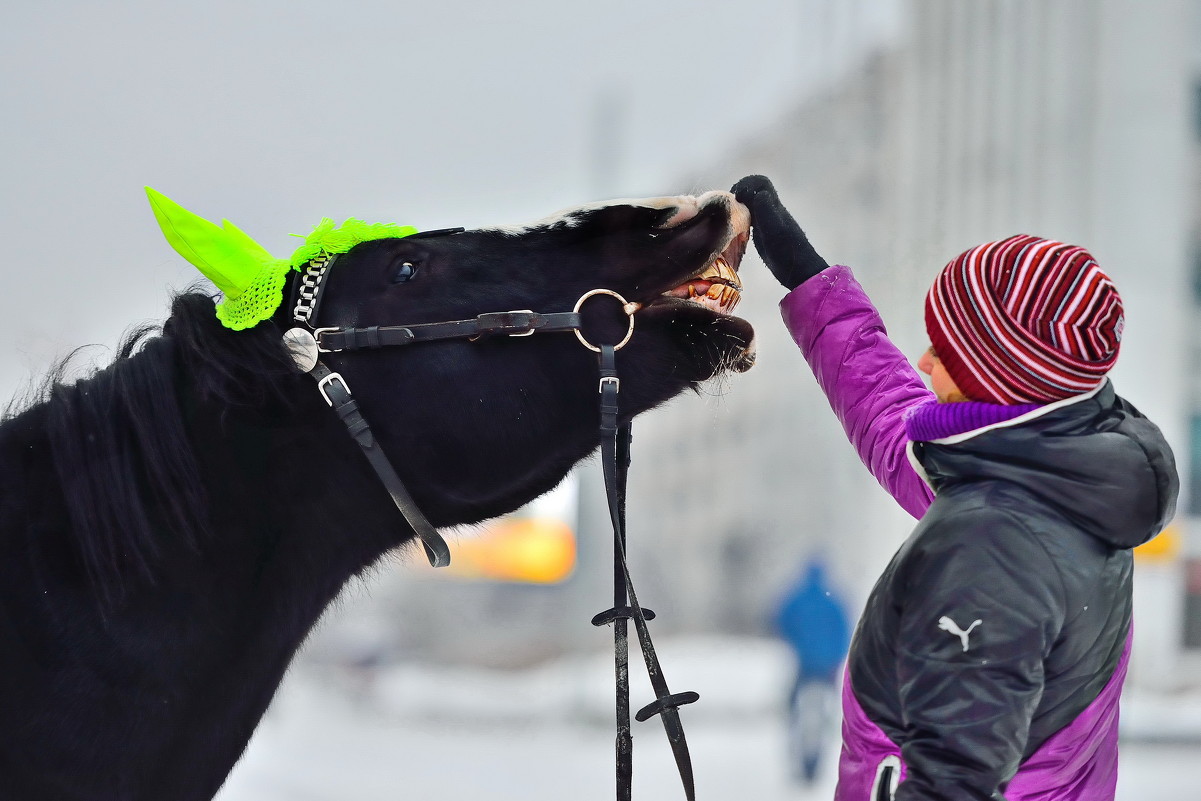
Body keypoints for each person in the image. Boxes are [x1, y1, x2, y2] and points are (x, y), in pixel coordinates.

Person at [730, 175, 1179, 801]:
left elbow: (950, 786)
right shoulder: (1061, 475)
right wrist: (810, 282)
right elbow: (897, 419)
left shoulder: (993, 545)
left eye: (946, 351)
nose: (923, 362)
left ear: (999, 378)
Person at [773, 558, 851, 785]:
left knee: (795, 710)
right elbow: (845, 630)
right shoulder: (834, 599)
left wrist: (796, 643)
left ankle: (801, 755)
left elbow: (780, 620)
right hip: (827, 668)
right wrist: (836, 657)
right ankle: (817, 758)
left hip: (805, 665)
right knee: (825, 712)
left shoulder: (797, 597)